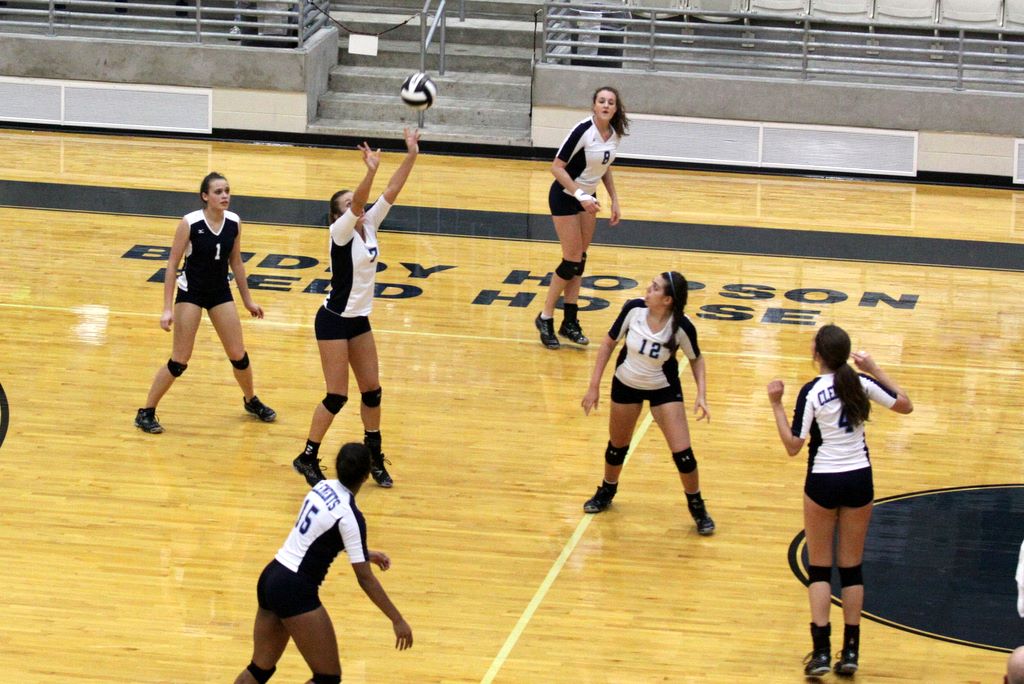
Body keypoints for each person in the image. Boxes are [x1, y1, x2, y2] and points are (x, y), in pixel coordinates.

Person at [766, 323, 913, 677]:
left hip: (824, 480)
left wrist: (776, 405)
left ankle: (820, 653)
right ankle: (850, 652)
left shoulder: (812, 391)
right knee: (851, 569)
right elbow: (905, 405)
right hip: (859, 478)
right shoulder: (861, 383)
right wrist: (874, 368)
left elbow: (793, 446)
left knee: (819, 568)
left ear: (817, 354)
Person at [292, 129, 420, 488]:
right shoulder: (340, 232)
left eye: (356, 202)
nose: (358, 206)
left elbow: (393, 190)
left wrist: (411, 154)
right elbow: (363, 200)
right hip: (333, 321)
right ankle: (307, 456)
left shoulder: (370, 224)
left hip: (359, 320)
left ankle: (374, 456)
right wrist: (369, 172)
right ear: (339, 214)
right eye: (349, 204)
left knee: (372, 391)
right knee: (337, 396)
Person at [234, 443, 413, 684]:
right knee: (327, 678)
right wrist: (397, 619)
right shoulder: (351, 516)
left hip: (272, 576)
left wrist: (364, 553)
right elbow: (365, 578)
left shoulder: (321, 487)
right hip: (294, 589)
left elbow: (320, 535)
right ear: (366, 475)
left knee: (259, 670)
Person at [134, 171, 276, 434]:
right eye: (218, 192)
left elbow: (236, 262)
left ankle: (251, 400)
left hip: (219, 292)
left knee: (238, 355)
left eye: (227, 191)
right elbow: (172, 265)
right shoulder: (190, 222)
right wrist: (167, 308)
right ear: (205, 196)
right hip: (191, 292)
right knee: (180, 360)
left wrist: (248, 301)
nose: (225, 196)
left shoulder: (234, 222)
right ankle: (146, 411)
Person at [580, 271, 715, 536]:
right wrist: (593, 386)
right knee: (617, 447)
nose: (648, 289)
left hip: (663, 389)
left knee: (684, 456)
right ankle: (607, 490)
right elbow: (608, 344)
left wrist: (702, 394)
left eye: (654, 288)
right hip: (626, 383)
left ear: (667, 300)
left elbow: (696, 359)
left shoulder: (682, 326)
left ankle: (698, 507)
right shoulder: (634, 309)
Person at [534, 86, 628, 350]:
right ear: (594, 105)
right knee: (571, 259)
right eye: (601, 101)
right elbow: (556, 167)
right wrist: (580, 194)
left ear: (616, 108)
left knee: (579, 261)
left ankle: (570, 321)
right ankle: (545, 317)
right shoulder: (583, 130)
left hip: (588, 198)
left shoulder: (614, 134)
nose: (606, 105)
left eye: (610, 102)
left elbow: (604, 167)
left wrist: (614, 199)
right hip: (565, 195)